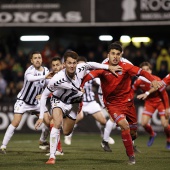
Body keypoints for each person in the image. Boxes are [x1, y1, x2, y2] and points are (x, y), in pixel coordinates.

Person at [80, 42, 162, 165]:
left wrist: (153, 79)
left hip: (129, 104)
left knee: (133, 133)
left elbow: (141, 72)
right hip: (112, 104)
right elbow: (89, 76)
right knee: (125, 126)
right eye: (113, 54)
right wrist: (80, 86)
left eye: (118, 54)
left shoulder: (126, 66)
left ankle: (128, 140)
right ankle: (131, 157)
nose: (115, 56)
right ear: (108, 55)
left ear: (121, 55)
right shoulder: (103, 67)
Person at [35, 50, 122, 164]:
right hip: (59, 101)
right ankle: (52, 156)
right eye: (69, 63)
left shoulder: (81, 68)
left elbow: (91, 64)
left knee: (66, 131)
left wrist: (108, 67)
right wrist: (41, 116)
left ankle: (63, 133)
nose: (72, 66)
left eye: (74, 63)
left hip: (74, 103)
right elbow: (45, 95)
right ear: (64, 64)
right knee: (56, 124)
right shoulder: (57, 79)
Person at [0, 51, 52, 154]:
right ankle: (3, 146)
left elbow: (49, 85)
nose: (37, 59)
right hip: (23, 101)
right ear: (31, 61)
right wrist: (44, 77)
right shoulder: (30, 70)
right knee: (16, 122)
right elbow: (30, 78)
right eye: (35, 58)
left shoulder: (45, 70)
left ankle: (42, 141)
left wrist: (46, 92)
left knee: (49, 122)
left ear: (42, 59)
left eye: (39, 57)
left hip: (36, 102)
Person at [64, 56, 115, 149]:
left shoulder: (91, 74)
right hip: (79, 102)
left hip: (91, 102)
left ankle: (104, 136)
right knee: (78, 118)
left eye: (84, 64)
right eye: (79, 64)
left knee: (103, 121)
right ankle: (68, 135)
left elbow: (99, 81)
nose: (82, 66)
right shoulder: (73, 75)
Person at [132, 62, 170, 149]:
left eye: (147, 69)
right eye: (143, 70)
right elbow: (131, 91)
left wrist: (167, 108)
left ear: (151, 71)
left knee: (165, 124)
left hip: (160, 102)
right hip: (149, 102)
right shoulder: (138, 81)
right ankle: (152, 134)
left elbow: (164, 95)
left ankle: (168, 139)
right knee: (144, 123)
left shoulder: (156, 79)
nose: (146, 71)